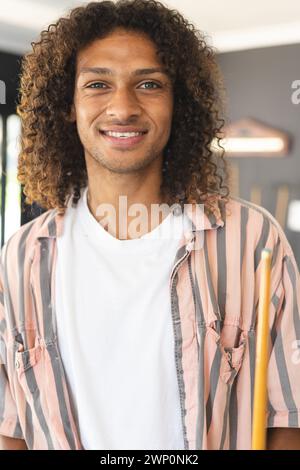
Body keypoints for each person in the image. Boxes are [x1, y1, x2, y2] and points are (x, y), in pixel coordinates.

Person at [0, 0, 300, 451]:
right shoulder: (22, 256)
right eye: (98, 84)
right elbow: (13, 430)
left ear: (179, 104)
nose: (123, 107)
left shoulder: (252, 240)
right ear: (68, 105)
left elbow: (287, 421)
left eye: (149, 83)